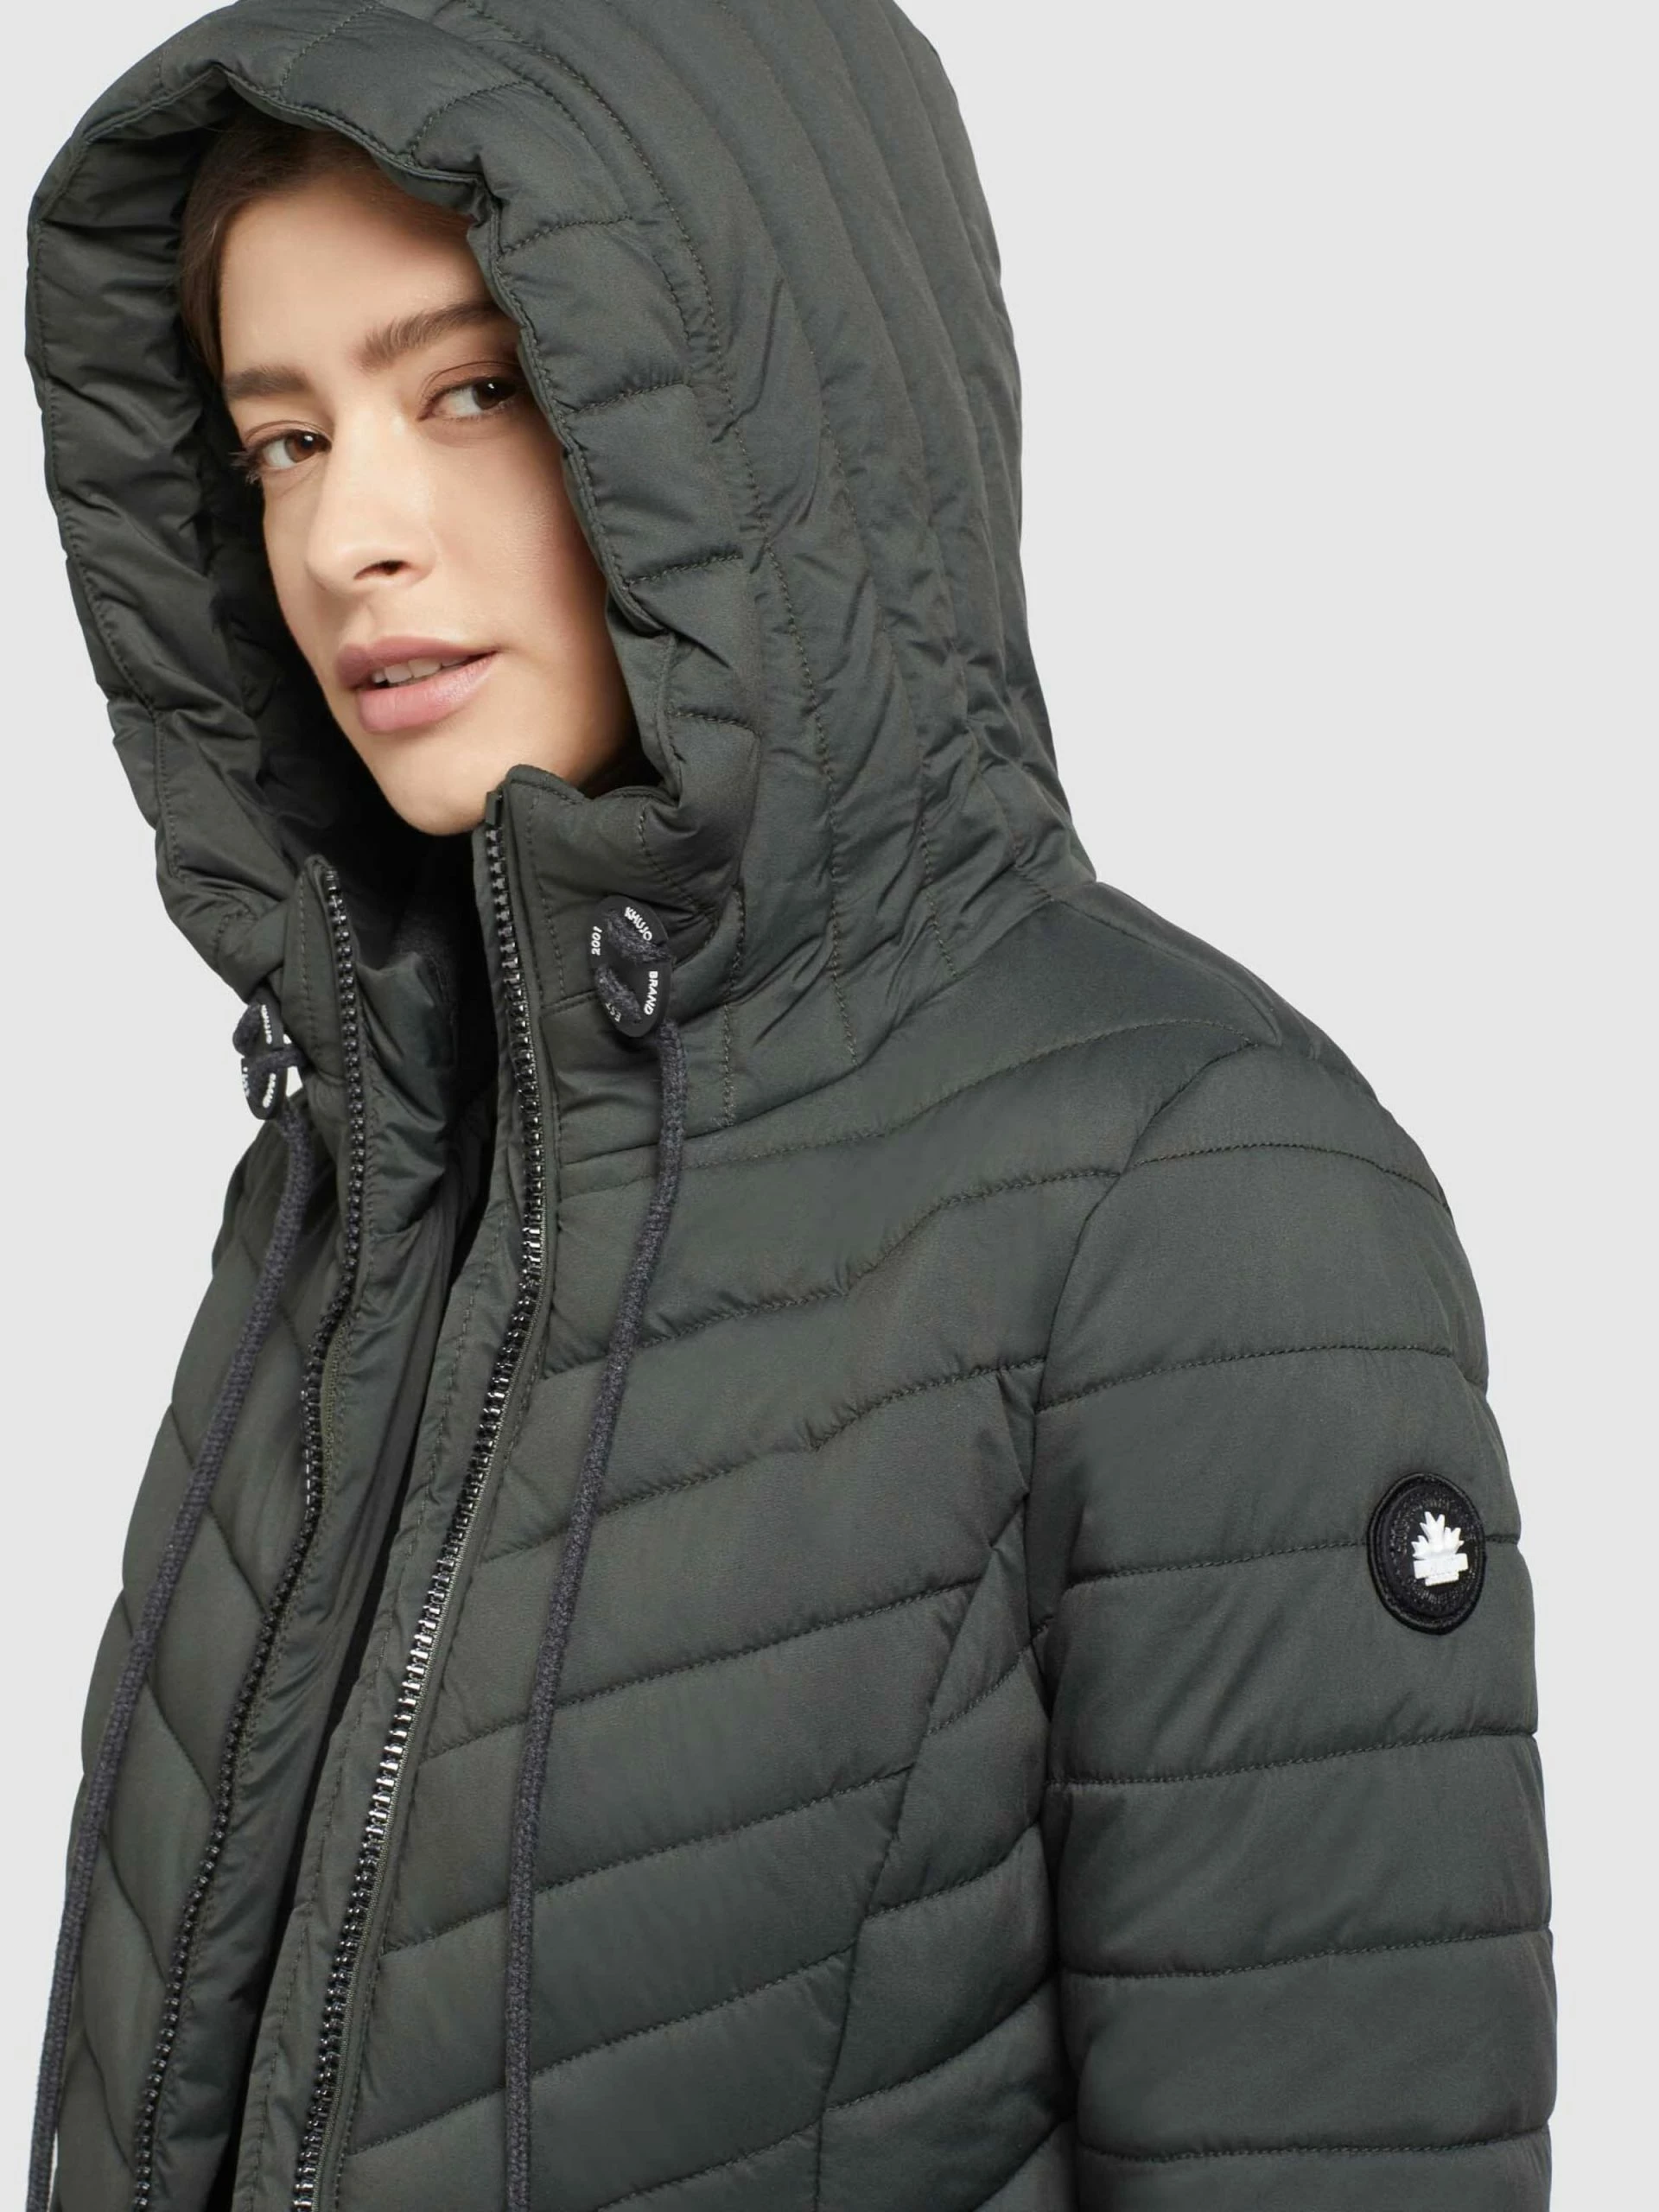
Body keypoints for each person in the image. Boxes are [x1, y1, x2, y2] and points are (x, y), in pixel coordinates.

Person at [23, 5, 1554, 2209]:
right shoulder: (367, 1166)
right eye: (281, 437)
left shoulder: (1206, 1202)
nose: (351, 532)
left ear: (767, 423)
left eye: (478, 389)